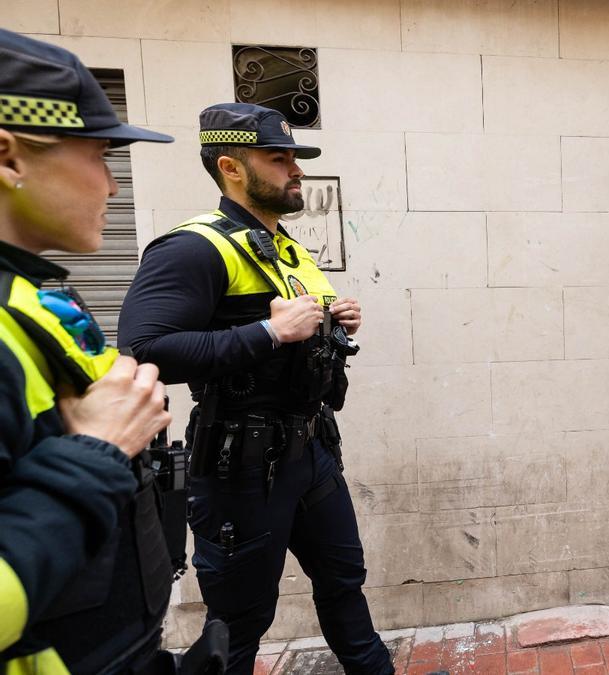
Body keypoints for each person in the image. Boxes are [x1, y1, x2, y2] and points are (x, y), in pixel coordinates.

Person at [118, 103, 392, 675]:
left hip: (313, 451)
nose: (296, 169)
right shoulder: (193, 248)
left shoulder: (286, 248)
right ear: (231, 167)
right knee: (241, 620)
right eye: (279, 158)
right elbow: (143, 349)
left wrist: (335, 322)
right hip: (240, 465)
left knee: (344, 582)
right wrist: (269, 332)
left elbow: (301, 336)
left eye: (295, 157)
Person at [0, 28, 188, 674]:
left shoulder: (31, 293)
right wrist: (97, 452)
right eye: (99, 156)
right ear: (8, 156)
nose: (112, 185)